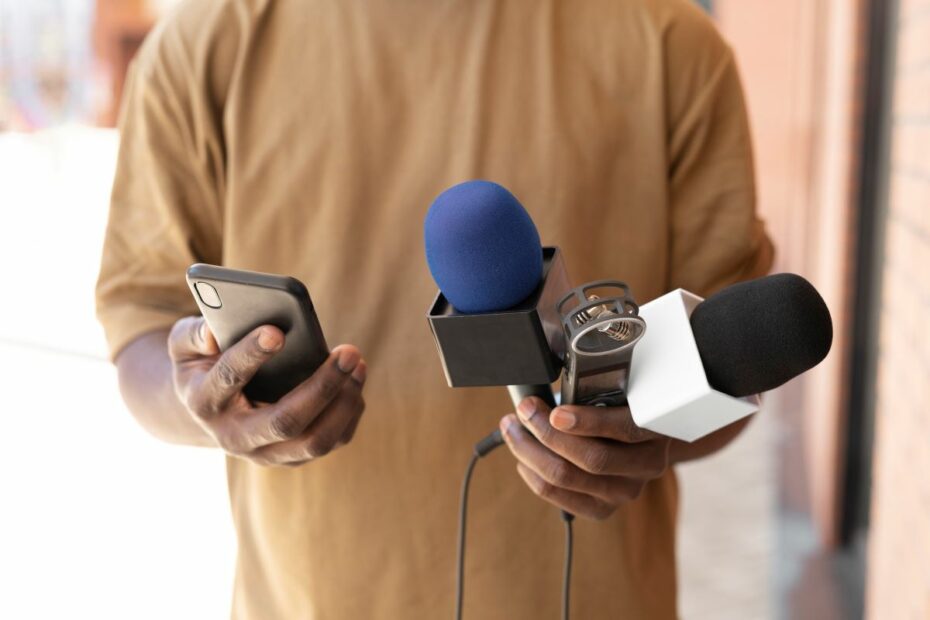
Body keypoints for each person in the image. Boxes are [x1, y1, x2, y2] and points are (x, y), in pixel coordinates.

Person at [96, 0, 774, 617]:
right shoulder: (200, 47)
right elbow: (143, 334)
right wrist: (205, 401)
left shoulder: (671, 44)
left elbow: (738, 356)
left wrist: (648, 433)